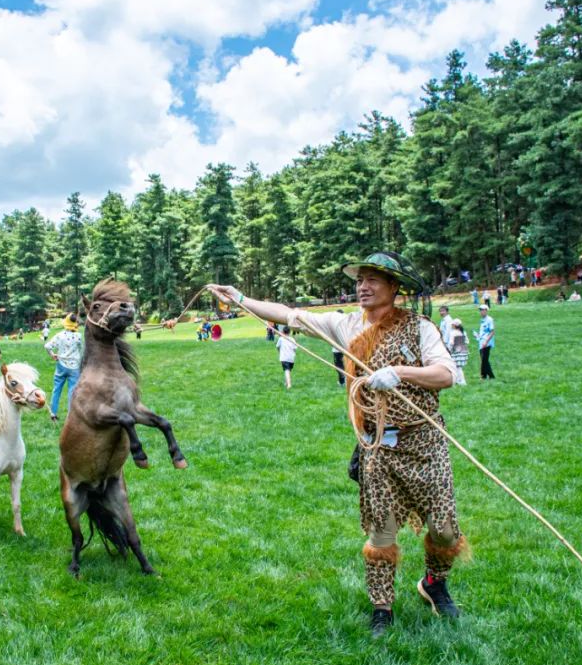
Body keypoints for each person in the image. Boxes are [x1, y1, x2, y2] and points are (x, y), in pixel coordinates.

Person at [209, 250, 466, 638]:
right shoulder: (346, 326)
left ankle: (434, 582)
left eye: (372, 280)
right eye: (359, 280)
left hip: (426, 443)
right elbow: (290, 315)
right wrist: (240, 298)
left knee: (445, 530)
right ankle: (382, 607)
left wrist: (397, 373)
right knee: (382, 533)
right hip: (377, 446)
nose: (362, 286)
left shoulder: (420, 327)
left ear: (394, 288)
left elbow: (445, 373)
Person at [44, 313, 83, 422]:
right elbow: (82, 350)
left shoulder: (59, 335)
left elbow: (47, 346)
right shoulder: (79, 337)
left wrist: (52, 355)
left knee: (56, 390)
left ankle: (53, 413)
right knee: (72, 391)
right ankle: (70, 417)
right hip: (74, 367)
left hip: (61, 365)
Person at [475, 305, 495, 380]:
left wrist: (486, 341)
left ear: (486, 310)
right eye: (480, 310)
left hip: (487, 342)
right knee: (484, 360)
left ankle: (485, 376)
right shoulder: (482, 320)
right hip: (481, 341)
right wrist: (478, 335)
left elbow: (492, 332)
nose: (481, 312)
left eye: (483, 310)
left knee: (484, 360)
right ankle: (488, 376)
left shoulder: (489, 319)